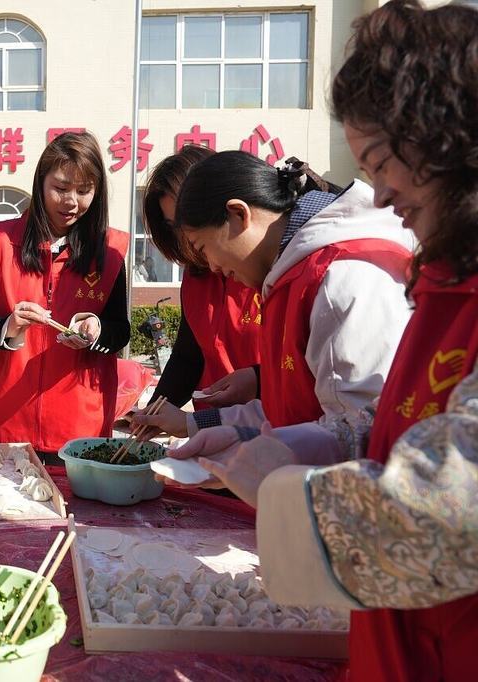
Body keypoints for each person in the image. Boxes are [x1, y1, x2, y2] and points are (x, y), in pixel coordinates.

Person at [188, 2, 478, 680]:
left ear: (450, 144)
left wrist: (295, 494)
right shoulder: (443, 279)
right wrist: (292, 443)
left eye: (382, 161)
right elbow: (392, 427)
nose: (380, 195)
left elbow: (454, 513)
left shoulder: (350, 273)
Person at [132, 149, 414, 466]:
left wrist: (257, 456)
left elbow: (359, 437)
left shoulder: (338, 276)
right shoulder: (283, 279)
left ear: (239, 215)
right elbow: (283, 412)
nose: (210, 264)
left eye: (203, 246)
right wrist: (197, 426)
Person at [0, 132, 131, 458]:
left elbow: (120, 330)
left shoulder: (109, 251)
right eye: (61, 188)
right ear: (41, 183)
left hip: (80, 423)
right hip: (5, 418)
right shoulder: (2, 240)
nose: (71, 201)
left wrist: (95, 330)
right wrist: (8, 326)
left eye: (84, 191)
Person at [141, 145, 262, 411]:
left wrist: (258, 380)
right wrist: (151, 413)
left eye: (188, 223)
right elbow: (189, 355)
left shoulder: (265, 272)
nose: (187, 239)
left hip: (272, 433)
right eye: (173, 227)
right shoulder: (196, 277)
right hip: (212, 432)